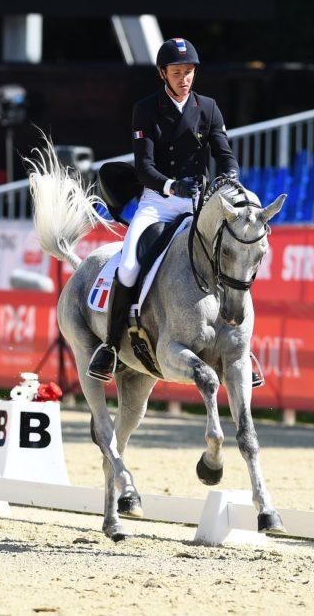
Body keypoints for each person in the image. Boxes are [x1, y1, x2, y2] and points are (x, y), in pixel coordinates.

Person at [87, 37, 240, 381]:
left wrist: (230, 173)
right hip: (158, 203)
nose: (184, 78)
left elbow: (224, 152)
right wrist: (172, 186)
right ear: (162, 74)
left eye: (189, 72)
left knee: (232, 257)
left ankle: (241, 347)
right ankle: (110, 346)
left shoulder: (209, 108)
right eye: (177, 72)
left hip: (199, 204)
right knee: (127, 267)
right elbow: (144, 167)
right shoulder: (145, 109)